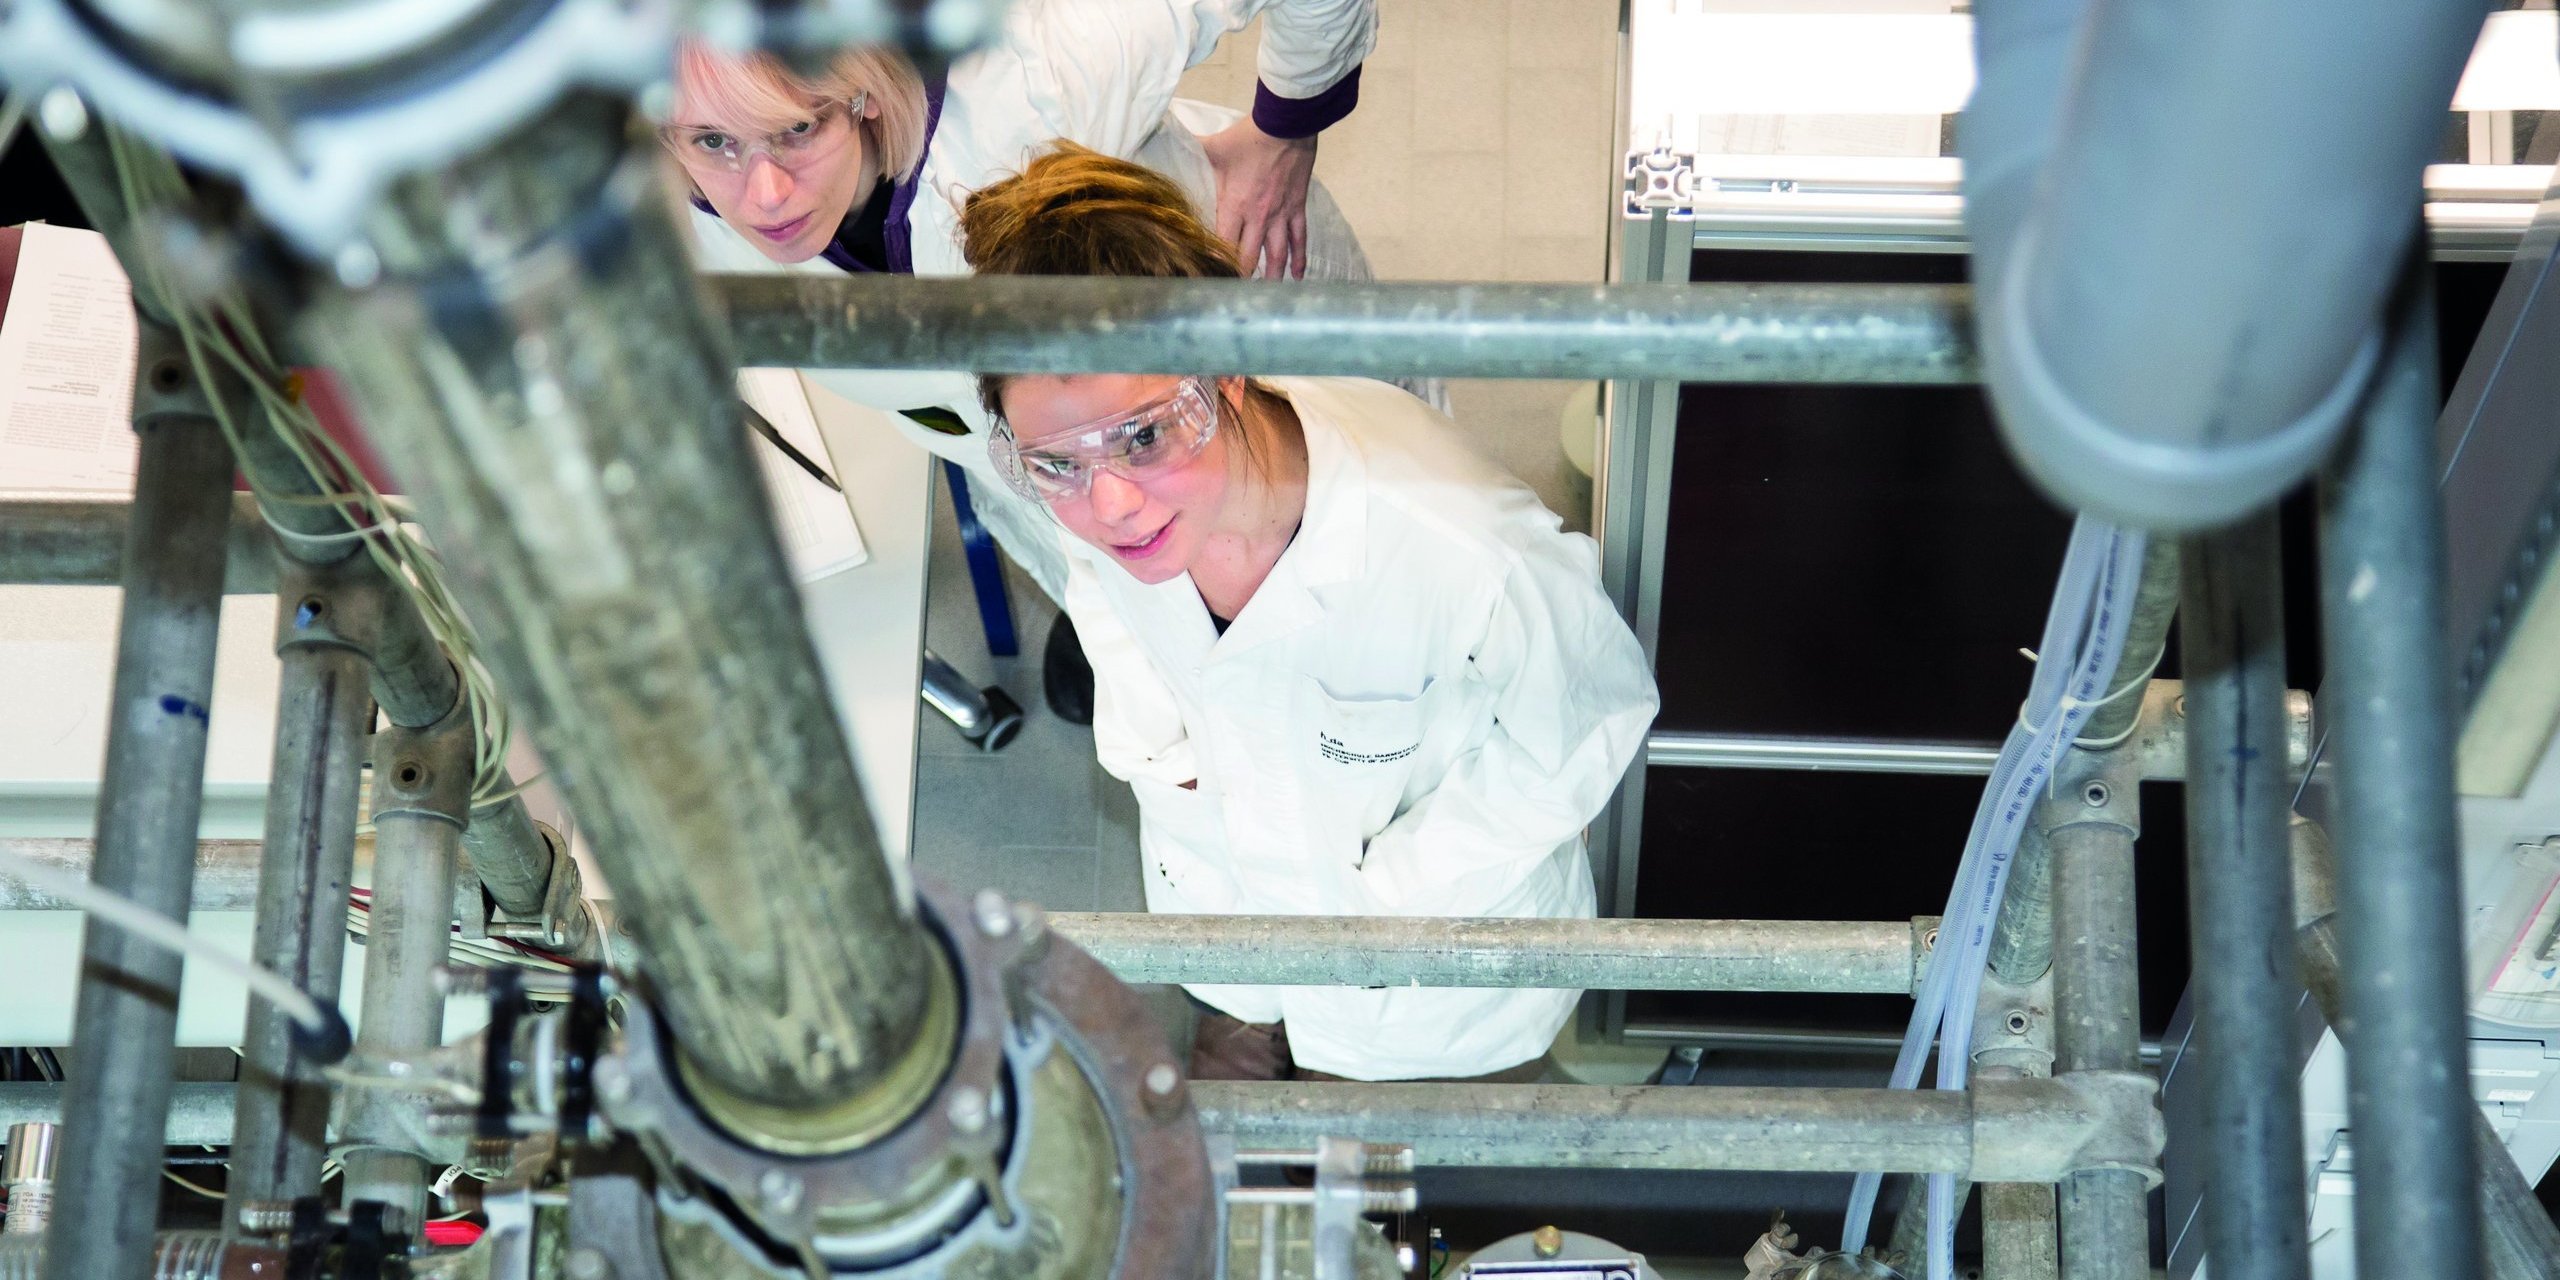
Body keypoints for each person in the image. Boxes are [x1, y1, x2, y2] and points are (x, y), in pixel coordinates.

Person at [958, 147, 1660, 1083]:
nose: (1110, 504)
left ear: (1231, 368)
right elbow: (1112, 616)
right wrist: (1165, 764)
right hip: (1227, 903)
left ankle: (1337, 1064)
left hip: (1415, 974)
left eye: (1144, 434)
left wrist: (1385, 900)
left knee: (1380, 1104)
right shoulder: (1110, 501)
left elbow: (1593, 718)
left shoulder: (1457, 543)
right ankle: (1249, 1014)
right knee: (1241, 1003)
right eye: (1056, 464)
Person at [664, 1, 1392, 723]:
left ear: (861, 91)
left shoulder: (1043, 75)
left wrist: (1286, 134)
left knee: (1368, 624)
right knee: (1160, 687)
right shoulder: (660, 212)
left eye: (799, 128)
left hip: (1238, 379)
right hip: (1047, 489)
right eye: (712, 142)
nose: (762, 195)